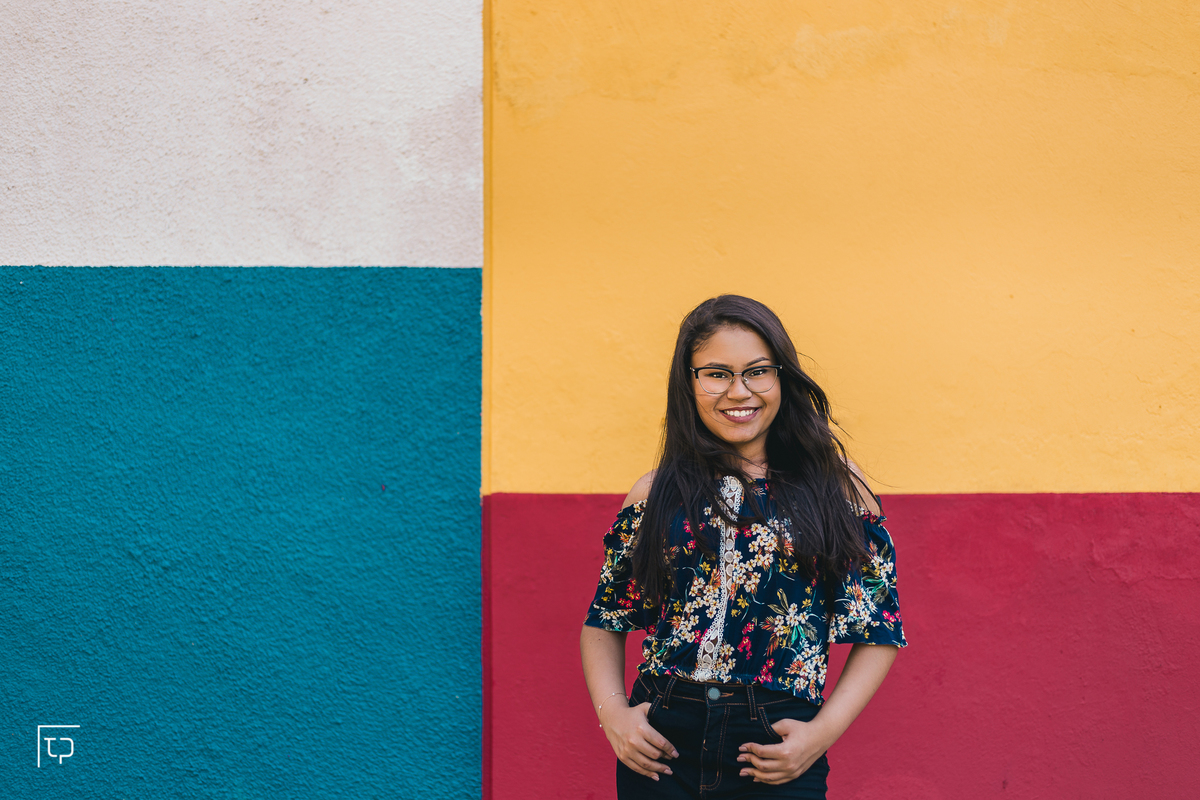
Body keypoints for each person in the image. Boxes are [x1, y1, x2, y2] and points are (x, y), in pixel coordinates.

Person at [580, 295, 906, 799]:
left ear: (782, 377)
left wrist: (821, 734)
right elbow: (605, 619)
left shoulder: (837, 488)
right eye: (717, 374)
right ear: (688, 383)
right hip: (663, 744)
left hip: (776, 745)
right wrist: (615, 717)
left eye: (757, 372)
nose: (739, 391)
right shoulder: (655, 492)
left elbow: (878, 627)